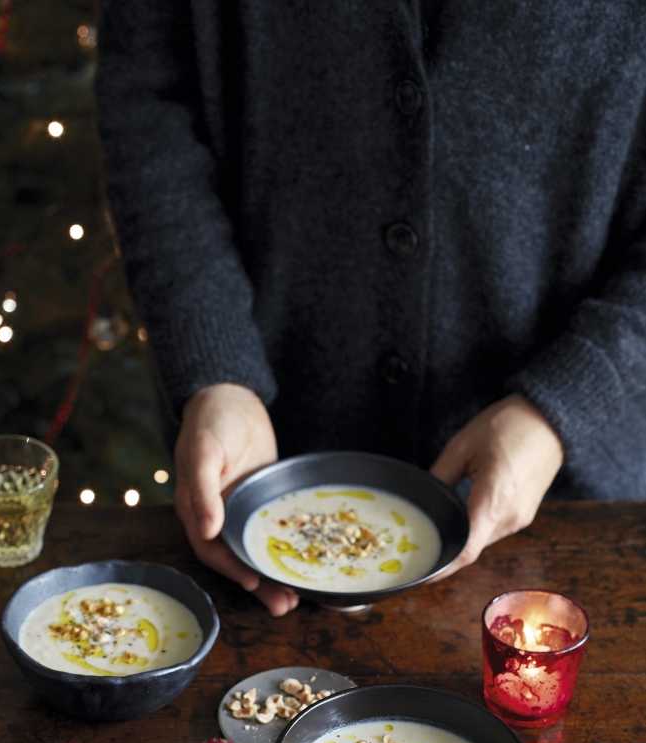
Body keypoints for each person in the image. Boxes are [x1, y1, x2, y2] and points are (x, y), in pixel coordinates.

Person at [96, 1, 646, 615]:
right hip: (252, 480)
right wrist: (215, 363)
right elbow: (149, 102)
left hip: (577, 514)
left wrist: (569, 400)